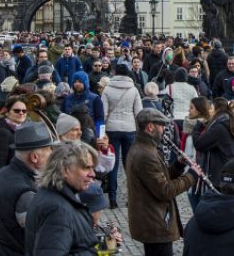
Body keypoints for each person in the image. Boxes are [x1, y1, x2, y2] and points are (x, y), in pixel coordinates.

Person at [125, 108, 200, 256]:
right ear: (150, 127)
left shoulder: (145, 148)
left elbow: (158, 178)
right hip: (155, 223)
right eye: (161, 125)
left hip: (153, 221)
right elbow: (164, 190)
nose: (164, 129)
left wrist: (178, 166)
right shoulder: (145, 154)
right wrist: (192, 176)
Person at [0, 123, 54, 256]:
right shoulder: (25, 191)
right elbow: (40, 239)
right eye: (49, 149)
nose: (52, 153)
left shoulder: (3, 173)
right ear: (34, 157)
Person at [24, 141, 99, 256]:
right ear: (64, 170)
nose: (92, 174)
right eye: (86, 167)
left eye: (92, 168)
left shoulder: (57, 197)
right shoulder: (57, 209)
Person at [101, 63, 143, 209]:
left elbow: (103, 113)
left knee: (113, 164)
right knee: (129, 164)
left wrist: (102, 132)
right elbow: (139, 112)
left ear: (115, 73)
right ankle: (132, 197)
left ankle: (113, 199)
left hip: (112, 128)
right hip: (129, 128)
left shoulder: (107, 89)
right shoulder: (133, 90)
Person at [194, 97, 234, 188]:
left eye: (211, 108)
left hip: (220, 175)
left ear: (217, 110)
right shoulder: (229, 122)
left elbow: (199, 144)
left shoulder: (219, 127)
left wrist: (197, 126)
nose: (209, 111)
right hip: (231, 172)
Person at [0, 95, 32, 190]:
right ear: (7, 112)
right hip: (5, 187)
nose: (21, 113)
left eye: (24, 111)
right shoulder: (2, 133)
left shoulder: (22, 130)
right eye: (17, 111)